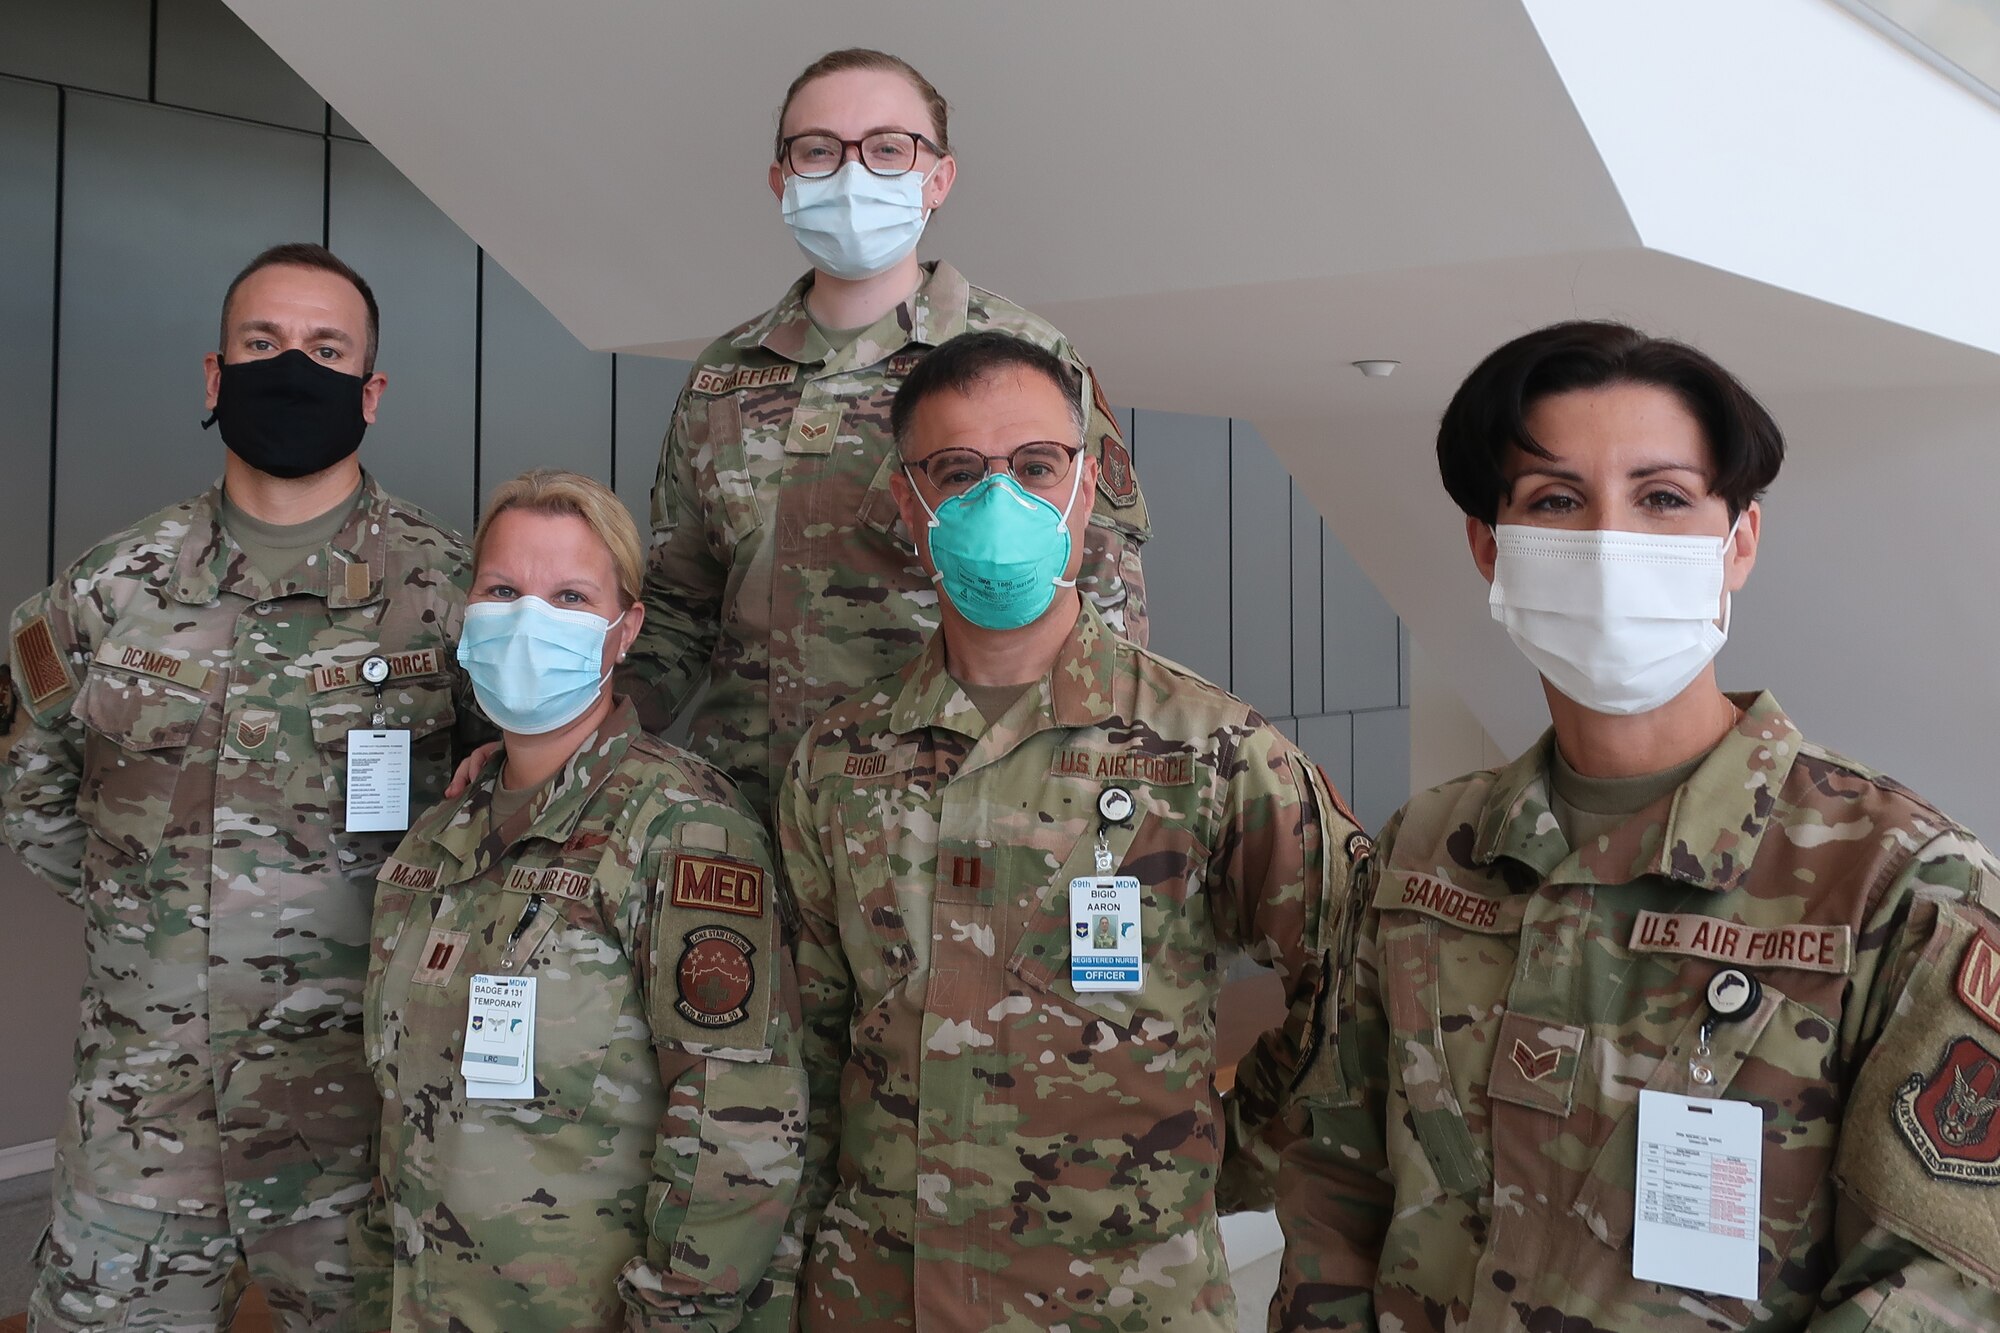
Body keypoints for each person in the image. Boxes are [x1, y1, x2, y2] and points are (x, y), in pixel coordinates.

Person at [1273, 320, 2000, 1329]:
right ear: (1490, 548)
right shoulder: (1424, 849)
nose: (1608, 541)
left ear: (1736, 541)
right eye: (1554, 500)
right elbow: (1334, 1183)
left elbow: (1937, 1287)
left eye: (1660, 498)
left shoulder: (1898, 882)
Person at [775, 332, 1362, 1330]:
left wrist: (1222, 1148)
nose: (997, 499)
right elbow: (809, 1042)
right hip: (882, 1289)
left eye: (1035, 465)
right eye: (956, 473)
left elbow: (1351, 978)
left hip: (1124, 1294)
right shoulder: (837, 762)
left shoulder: (1208, 748)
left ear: (1084, 489)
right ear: (911, 507)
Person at [2, 242, 487, 1331]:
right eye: (263, 345)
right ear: (216, 376)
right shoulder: (109, 589)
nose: (291, 369)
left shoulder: (447, 593)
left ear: (370, 392)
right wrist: (160, 910)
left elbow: (508, 818)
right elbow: (31, 791)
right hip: (144, 1111)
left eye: (325, 350)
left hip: (360, 1111)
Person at [625, 47, 1152, 817]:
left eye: (886, 148)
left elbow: (1104, 595)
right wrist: (589, 732)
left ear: (937, 177)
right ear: (781, 180)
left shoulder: (1023, 362)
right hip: (748, 813)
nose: (849, 175)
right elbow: (678, 604)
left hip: (938, 822)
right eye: (818, 151)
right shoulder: (723, 378)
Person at [356, 470, 805, 1331]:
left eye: (569, 596)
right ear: (466, 612)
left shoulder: (682, 831)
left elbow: (736, 1129)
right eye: (503, 590)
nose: (531, 620)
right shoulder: (434, 843)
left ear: (624, 629)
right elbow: (399, 1118)